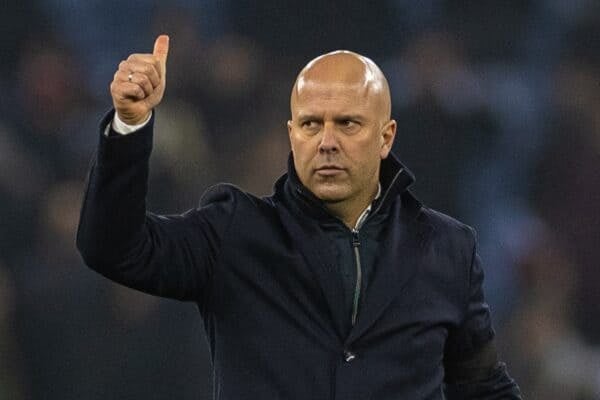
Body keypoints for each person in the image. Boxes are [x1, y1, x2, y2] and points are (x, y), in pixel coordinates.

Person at [77, 35, 521, 399]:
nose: (326, 142)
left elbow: (480, 386)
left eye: (347, 124)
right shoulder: (235, 232)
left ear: (385, 137)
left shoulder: (446, 248)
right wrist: (129, 126)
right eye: (311, 124)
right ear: (292, 134)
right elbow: (115, 248)